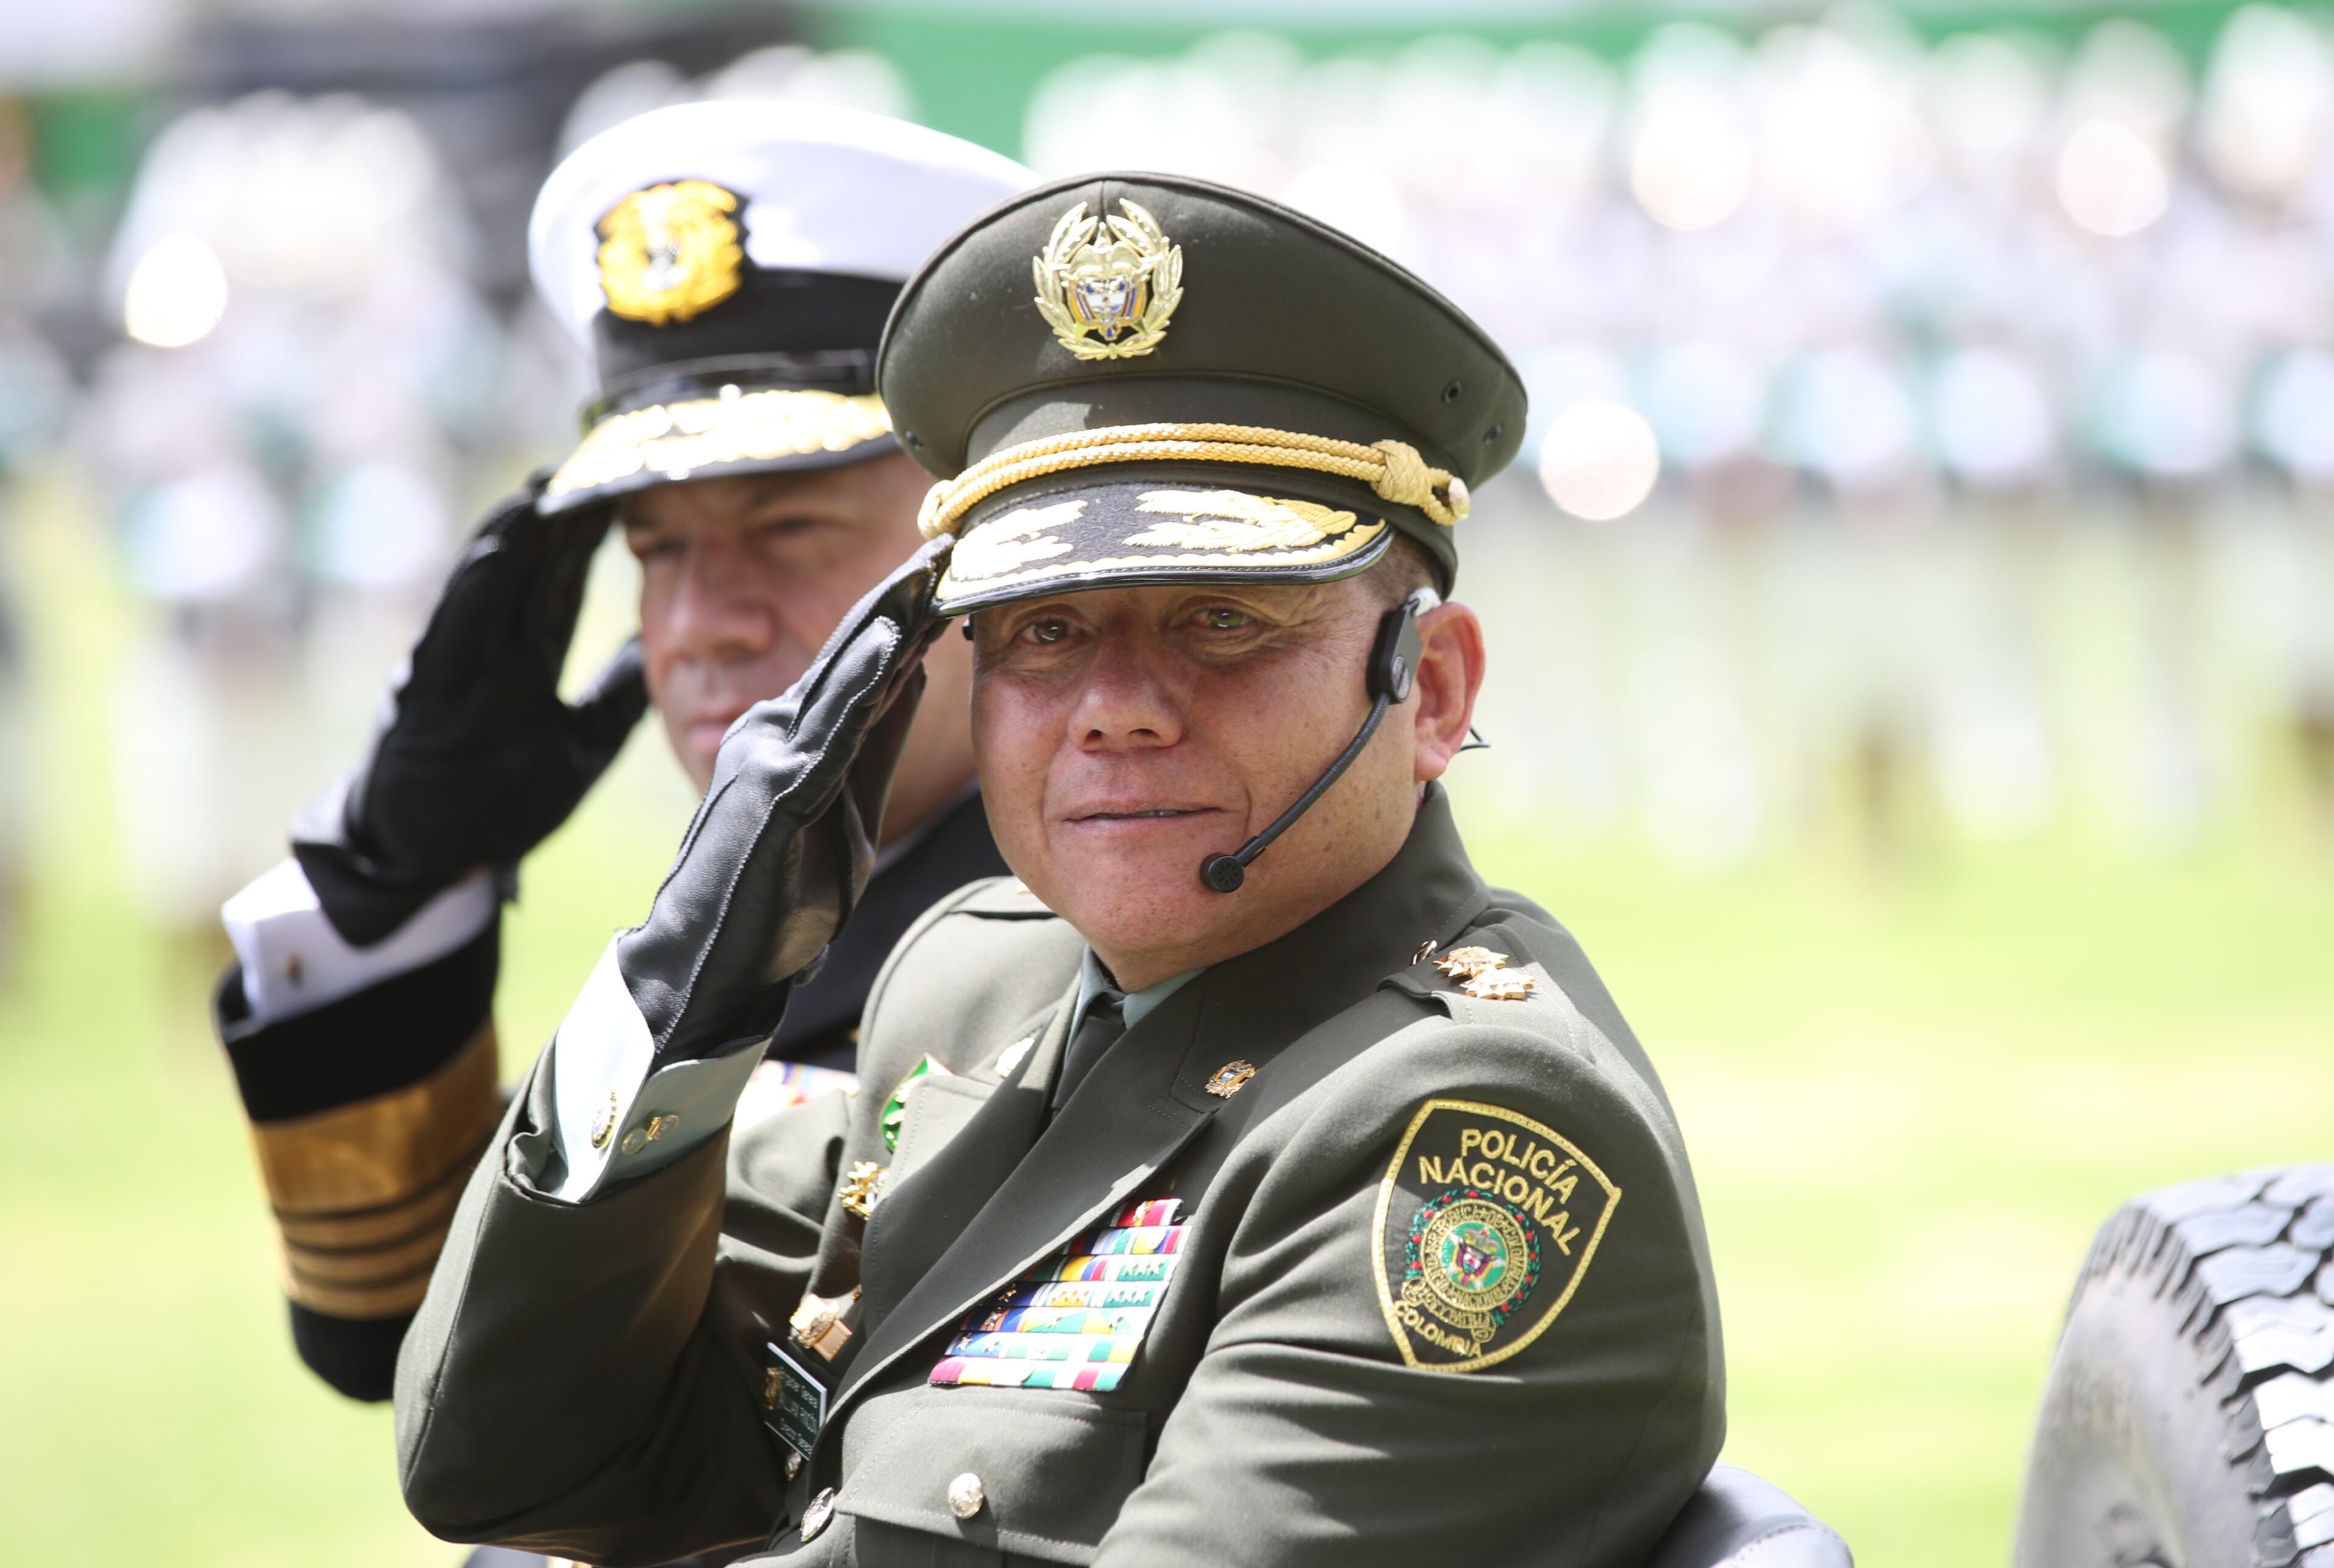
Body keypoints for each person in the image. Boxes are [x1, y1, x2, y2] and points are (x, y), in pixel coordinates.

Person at [394, 173, 1725, 1567]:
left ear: (1431, 689)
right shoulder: (973, 984)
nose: (1114, 709)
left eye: (1221, 618)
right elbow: (507, 1463)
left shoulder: (1464, 1125)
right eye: (1041, 631)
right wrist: (678, 993)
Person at [211, 102, 1031, 1407]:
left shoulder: (1098, 934)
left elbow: (554, 1392)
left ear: (997, 541)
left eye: (790, 527)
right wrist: (396, 887)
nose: (700, 621)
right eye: (657, 548)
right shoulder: (761, 926)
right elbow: (394, 1331)